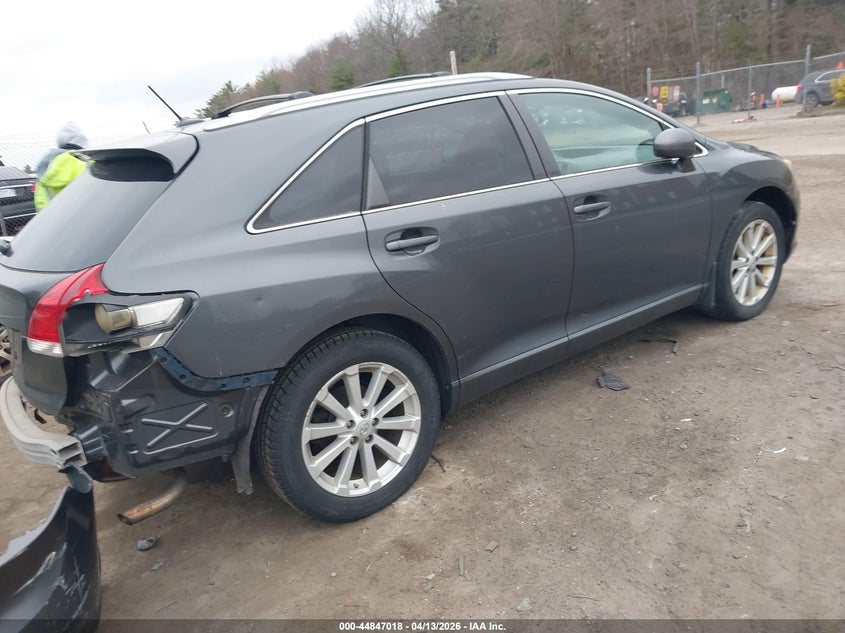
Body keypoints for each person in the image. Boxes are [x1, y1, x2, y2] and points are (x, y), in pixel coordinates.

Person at [34, 122, 88, 210]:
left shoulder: (46, 167)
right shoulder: (87, 164)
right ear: (82, 141)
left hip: (53, 220)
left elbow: (40, 201)